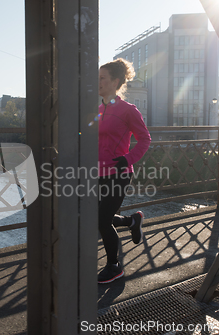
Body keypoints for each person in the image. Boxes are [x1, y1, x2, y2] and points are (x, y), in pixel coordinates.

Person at [97, 58, 151, 284]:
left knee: (102, 220)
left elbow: (145, 139)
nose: (97, 82)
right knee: (97, 217)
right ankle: (131, 221)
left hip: (119, 173)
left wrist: (127, 159)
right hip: (97, 173)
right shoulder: (99, 109)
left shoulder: (128, 110)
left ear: (115, 81)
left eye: (102, 78)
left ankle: (114, 266)